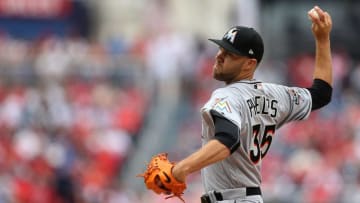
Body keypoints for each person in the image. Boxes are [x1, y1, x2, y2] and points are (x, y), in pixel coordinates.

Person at [171, 5, 333, 203]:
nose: (219, 56)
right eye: (221, 49)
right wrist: (322, 39)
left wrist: (182, 168)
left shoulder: (225, 96)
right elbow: (321, 94)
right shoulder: (276, 94)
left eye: (229, 54)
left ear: (249, 64)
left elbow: (227, 140)